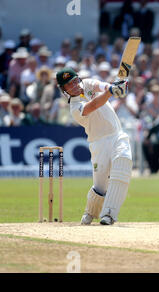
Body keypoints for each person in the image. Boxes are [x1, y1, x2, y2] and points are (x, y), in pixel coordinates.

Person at [55, 67, 131, 226]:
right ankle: (90, 212)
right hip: (98, 143)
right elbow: (94, 104)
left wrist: (115, 87)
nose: (75, 85)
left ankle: (109, 214)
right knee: (100, 186)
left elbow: (102, 86)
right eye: (69, 84)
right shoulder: (74, 109)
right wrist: (112, 91)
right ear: (64, 90)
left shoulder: (88, 84)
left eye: (75, 80)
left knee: (123, 163)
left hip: (117, 134)